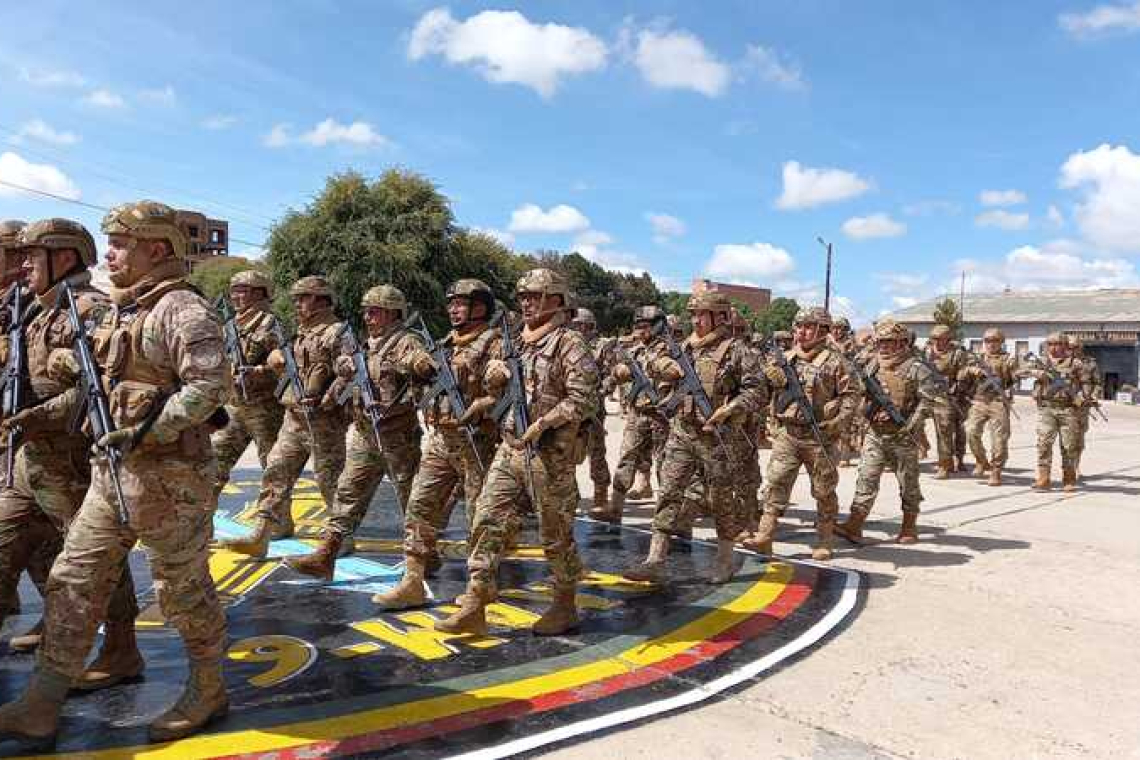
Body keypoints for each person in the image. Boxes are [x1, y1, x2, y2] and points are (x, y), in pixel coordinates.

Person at [0, 200, 230, 743]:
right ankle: (42, 701)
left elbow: (210, 387)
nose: (111, 254)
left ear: (158, 249)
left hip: (173, 481)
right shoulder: (124, 310)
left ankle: (208, 687)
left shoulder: (181, 308)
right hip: (111, 474)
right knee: (73, 579)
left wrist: (151, 429)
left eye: (122, 244)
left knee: (183, 591)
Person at [0, 219, 139, 682]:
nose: (23, 265)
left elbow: (94, 388)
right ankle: (51, 624)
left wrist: (33, 416)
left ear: (63, 257)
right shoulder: (35, 309)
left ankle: (121, 648)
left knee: (99, 558)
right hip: (29, 460)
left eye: (32, 256)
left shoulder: (91, 310)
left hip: (73, 462)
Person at [435, 269, 597, 636]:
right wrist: (491, 388)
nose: (526, 303)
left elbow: (584, 399)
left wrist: (544, 422)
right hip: (510, 448)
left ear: (556, 300)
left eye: (534, 296)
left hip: (549, 454)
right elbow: (503, 394)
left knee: (555, 533)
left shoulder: (569, 342)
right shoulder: (518, 342)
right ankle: (475, 601)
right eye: (522, 296)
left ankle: (564, 604)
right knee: (486, 520)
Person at [371, 279, 502, 610]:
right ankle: (413, 581)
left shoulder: (495, 343)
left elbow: (508, 394)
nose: (453, 309)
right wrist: (418, 365)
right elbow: (409, 370)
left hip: (477, 440)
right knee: (419, 506)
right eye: (451, 303)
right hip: (441, 438)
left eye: (460, 304)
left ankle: (480, 585)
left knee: (480, 516)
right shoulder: (445, 343)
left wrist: (482, 405)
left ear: (480, 308)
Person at [623, 291, 767, 584]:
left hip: (718, 437)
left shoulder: (737, 350)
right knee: (668, 493)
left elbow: (758, 391)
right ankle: (655, 559)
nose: (696, 320)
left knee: (721, 500)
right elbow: (649, 363)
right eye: (693, 314)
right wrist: (664, 368)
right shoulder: (683, 348)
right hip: (681, 432)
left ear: (719, 317)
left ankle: (725, 560)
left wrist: (731, 408)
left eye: (702, 314)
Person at [286, 285, 428, 579]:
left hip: (397, 435)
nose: (368, 317)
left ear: (392, 313)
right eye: (366, 312)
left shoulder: (406, 341)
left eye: (374, 312)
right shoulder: (367, 344)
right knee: (347, 492)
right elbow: (349, 377)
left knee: (411, 499)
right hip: (366, 432)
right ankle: (327, 554)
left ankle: (426, 557)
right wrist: (341, 377)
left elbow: (421, 365)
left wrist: (414, 363)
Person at [221, 276, 349, 558]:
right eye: (297, 299)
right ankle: (264, 532)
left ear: (321, 300)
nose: (297, 304)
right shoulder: (302, 331)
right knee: (275, 471)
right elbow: (285, 365)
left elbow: (348, 373)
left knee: (328, 480)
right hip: (293, 416)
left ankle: (341, 536)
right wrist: (274, 362)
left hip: (323, 421)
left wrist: (328, 397)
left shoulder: (337, 332)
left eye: (303, 298)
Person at [746, 307, 857, 561]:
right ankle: (765, 536)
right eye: (799, 326)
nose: (801, 332)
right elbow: (764, 393)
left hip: (819, 437)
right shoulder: (786, 359)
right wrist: (769, 378)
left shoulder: (836, 362)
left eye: (808, 327)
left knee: (823, 489)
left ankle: (825, 539)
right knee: (776, 483)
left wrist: (836, 423)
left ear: (823, 330)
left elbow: (851, 398)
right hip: (788, 434)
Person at [835, 320, 943, 544]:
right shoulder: (873, 365)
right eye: (881, 342)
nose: (883, 346)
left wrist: (909, 425)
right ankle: (855, 524)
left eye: (889, 342)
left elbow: (928, 402)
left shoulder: (916, 368)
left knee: (908, 482)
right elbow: (862, 391)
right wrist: (867, 410)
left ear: (902, 343)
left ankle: (909, 526)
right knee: (866, 477)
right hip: (875, 434)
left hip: (903, 436)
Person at [591, 305, 669, 524]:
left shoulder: (671, 350)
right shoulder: (634, 351)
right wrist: (607, 383)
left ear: (658, 326)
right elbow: (614, 377)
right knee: (626, 459)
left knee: (665, 466)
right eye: (637, 326)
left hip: (662, 415)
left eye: (645, 326)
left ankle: (664, 518)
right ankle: (615, 508)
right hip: (637, 413)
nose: (639, 331)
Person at [211, 269, 284, 500]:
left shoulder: (270, 324)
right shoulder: (230, 325)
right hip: (234, 406)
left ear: (259, 293)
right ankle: (200, 517)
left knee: (273, 470)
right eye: (233, 291)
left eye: (241, 291)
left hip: (264, 408)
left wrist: (259, 371)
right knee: (213, 465)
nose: (235, 296)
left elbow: (284, 365)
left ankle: (275, 517)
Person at [1027, 333, 1090, 492]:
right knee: (1044, 443)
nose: (1053, 347)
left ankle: (1068, 478)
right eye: (1050, 344)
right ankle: (1044, 478)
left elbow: (1086, 383)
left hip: (1068, 409)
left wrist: (1084, 397)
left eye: (1057, 344)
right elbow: (1019, 371)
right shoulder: (1041, 362)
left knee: (1069, 445)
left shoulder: (1075, 363)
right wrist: (1035, 373)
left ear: (1065, 345)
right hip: (1047, 408)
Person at [961, 328, 1019, 486]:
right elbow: (961, 374)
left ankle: (996, 470)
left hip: (998, 402)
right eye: (987, 340)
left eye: (994, 340)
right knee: (971, 431)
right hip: (979, 401)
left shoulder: (1008, 359)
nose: (990, 344)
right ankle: (981, 460)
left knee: (999, 439)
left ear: (1001, 342)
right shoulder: (976, 358)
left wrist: (1013, 378)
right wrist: (970, 370)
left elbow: (1016, 377)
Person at [571, 307, 614, 515]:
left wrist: (601, 390)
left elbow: (612, 374)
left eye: (580, 325)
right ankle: (570, 496)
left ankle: (601, 496)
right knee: (566, 452)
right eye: (574, 325)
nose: (577, 329)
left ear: (588, 326)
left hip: (594, 409)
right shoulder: (568, 345)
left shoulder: (601, 346)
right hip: (571, 407)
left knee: (596, 453)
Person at [923, 325, 970, 477]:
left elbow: (964, 374)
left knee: (950, 430)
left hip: (951, 396)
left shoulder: (957, 354)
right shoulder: (926, 353)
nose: (937, 342)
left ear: (948, 339)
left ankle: (949, 462)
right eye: (934, 339)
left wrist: (957, 385)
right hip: (928, 395)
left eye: (940, 339)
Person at [1067, 336, 1101, 478]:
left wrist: (1094, 396)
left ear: (1080, 347)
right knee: (1069, 438)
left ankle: (1076, 466)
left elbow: (1097, 383)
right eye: (1069, 347)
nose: (1072, 350)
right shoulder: (1063, 363)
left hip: (1083, 406)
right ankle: (1068, 467)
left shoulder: (1090, 364)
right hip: (1066, 406)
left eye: (1075, 347)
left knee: (1079, 438)